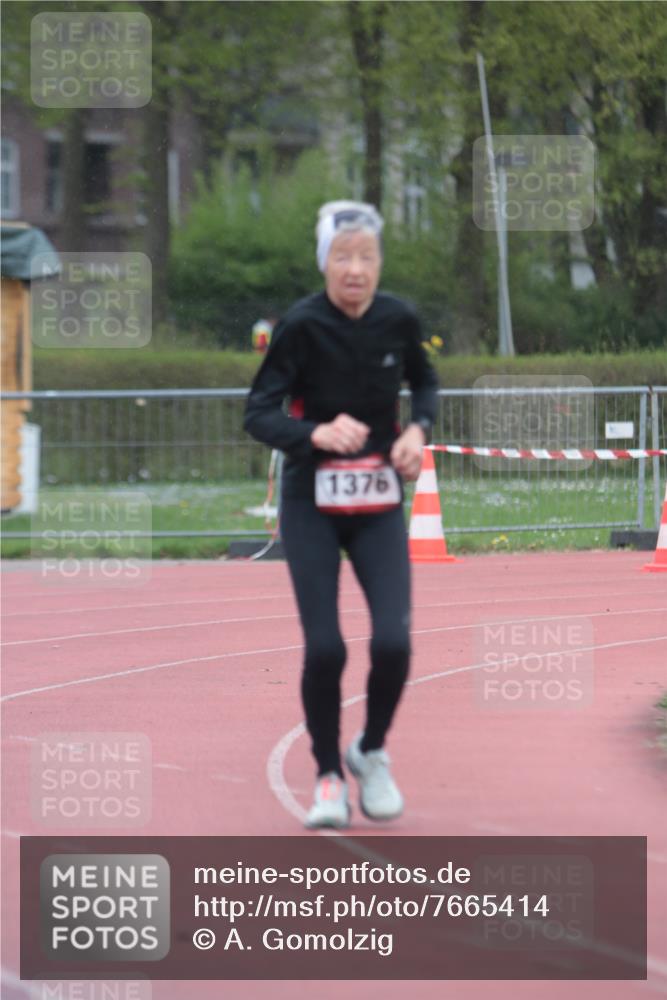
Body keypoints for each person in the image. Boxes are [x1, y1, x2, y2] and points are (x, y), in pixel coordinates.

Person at [243, 200, 439, 828]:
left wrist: (418, 430)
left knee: (394, 642)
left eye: (367, 257)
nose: (355, 269)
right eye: (342, 256)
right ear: (324, 261)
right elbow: (259, 413)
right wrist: (316, 434)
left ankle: (370, 750)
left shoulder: (398, 318)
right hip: (312, 503)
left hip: (379, 500)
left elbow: (426, 383)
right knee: (325, 648)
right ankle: (328, 775)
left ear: (379, 264)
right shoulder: (300, 326)